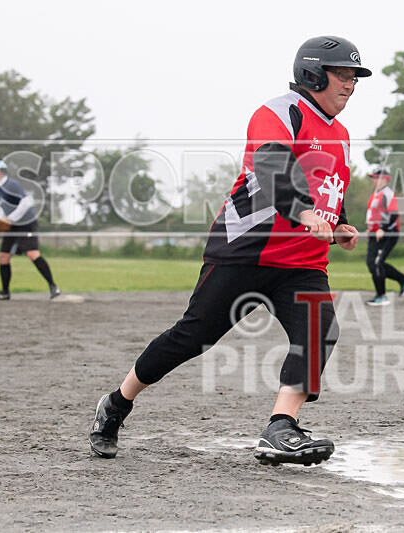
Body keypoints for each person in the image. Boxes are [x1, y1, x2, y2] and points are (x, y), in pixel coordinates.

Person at [89, 36, 369, 466]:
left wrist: (338, 224)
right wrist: (301, 211)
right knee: (192, 337)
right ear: (313, 74)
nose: (350, 84)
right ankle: (117, 403)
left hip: (301, 263)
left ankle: (280, 427)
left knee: (319, 330)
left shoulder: (342, 135)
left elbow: (329, 189)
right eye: (342, 75)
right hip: (245, 250)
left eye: (354, 77)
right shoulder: (280, 112)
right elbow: (271, 165)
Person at [0, 159, 60, 300]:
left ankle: (53, 286)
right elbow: (2, 205)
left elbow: (25, 203)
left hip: (26, 224)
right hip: (12, 226)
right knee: (3, 257)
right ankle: (5, 292)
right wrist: (1, 221)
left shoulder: (11, 184)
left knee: (32, 254)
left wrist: (9, 219)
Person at [364, 168, 404, 306]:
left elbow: (393, 214)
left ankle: (381, 296)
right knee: (371, 263)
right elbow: (375, 214)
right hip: (376, 234)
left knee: (377, 262)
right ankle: (403, 279)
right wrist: (371, 229)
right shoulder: (376, 194)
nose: (373, 180)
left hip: (387, 234)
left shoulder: (387, 193)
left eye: (376, 177)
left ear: (384, 179)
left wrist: (382, 228)